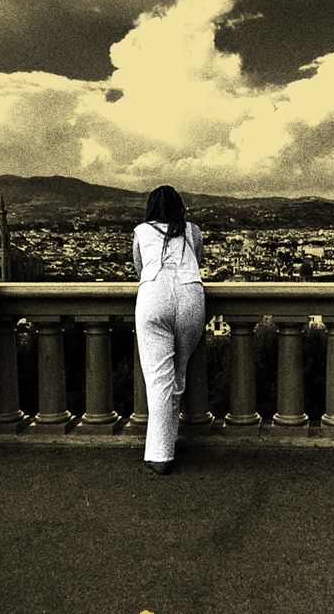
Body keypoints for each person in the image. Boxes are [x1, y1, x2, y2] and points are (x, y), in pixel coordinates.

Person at [133, 185, 206, 475]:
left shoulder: (141, 232)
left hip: (153, 296)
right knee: (178, 372)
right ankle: (170, 439)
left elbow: (139, 269)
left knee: (158, 378)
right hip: (190, 295)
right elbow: (197, 262)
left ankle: (160, 454)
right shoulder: (193, 231)